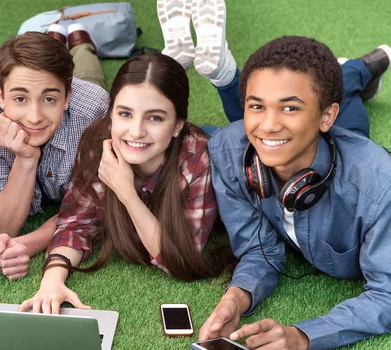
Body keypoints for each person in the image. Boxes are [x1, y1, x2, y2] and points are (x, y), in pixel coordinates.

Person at [161, 0, 391, 350]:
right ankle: (353, 73)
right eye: (256, 105)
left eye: (290, 107)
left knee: (354, 119)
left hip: (346, 142)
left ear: (323, 117)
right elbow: (258, 249)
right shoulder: (229, 151)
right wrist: (238, 296)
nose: (267, 125)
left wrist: (303, 336)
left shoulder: (379, 184)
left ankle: (359, 70)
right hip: (325, 128)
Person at [19, 53, 235, 314]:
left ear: (178, 124)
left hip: (218, 141)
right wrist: (53, 279)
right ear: (111, 115)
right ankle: (81, 44)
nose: (135, 131)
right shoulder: (98, 143)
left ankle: (224, 73)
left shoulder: (199, 158)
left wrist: (125, 192)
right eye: (125, 114)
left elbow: (181, 260)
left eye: (154, 117)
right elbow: (76, 224)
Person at [0, 30, 109, 280]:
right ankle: (54, 37)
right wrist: (26, 159)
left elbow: (93, 206)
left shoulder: (94, 110)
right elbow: (3, 227)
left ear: (67, 97)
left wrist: (31, 241)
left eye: (49, 99)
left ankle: (82, 43)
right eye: (20, 98)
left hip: (87, 92)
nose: (34, 116)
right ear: (1, 95)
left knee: (89, 71)